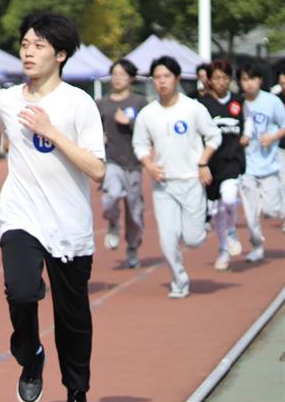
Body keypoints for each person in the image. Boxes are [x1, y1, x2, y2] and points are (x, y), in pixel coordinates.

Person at [0, 12, 105, 402]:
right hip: (21, 214)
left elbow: (97, 169)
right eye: (24, 44)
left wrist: (51, 131)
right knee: (20, 291)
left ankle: (76, 392)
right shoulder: (6, 99)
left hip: (69, 225)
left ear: (61, 54)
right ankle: (30, 355)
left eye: (38, 45)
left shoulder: (78, 103)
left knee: (72, 319)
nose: (28, 52)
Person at [132, 56, 221, 298]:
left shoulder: (193, 108)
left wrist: (203, 162)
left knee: (193, 240)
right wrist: (149, 166)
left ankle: (206, 216)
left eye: (166, 76)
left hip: (191, 181)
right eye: (157, 77)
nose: (162, 81)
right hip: (164, 185)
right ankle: (179, 281)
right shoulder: (148, 114)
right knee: (167, 239)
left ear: (177, 78)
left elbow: (214, 136)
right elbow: (140, 145)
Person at [198, 60, 248, 270]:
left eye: (225, 78)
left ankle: (232, 231)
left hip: (233, 160)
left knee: (229, 198)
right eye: (217, 78)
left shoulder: (238, 101)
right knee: (217, 211)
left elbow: (249, 120)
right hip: (211, 164)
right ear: (209, 80)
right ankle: (223, 250)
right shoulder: (202, 104)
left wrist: (247, 135)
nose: (221, 82)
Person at [97, 59, 147, 268]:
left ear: (131, 78)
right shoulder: (102, 104)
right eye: (114, 74)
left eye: (122, 74)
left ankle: (133, 248)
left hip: (133, 163)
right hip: (111, 160)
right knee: (112, 195)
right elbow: (90, 128)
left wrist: (130, 122)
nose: (117, 78)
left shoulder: (139, 102)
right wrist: (98, 136)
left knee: (134, 212)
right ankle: (112, 223)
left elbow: (148, 129)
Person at [238, 64, 285, 261]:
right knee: (250, 214)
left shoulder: (272, 101)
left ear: (260, 80)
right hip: (246, 166)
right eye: (244, 79)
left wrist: (272, 137)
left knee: (270, 210)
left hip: (270, 165)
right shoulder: (238, 104)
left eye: (252, 79)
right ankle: (257, 247)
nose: (248, 84)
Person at [271, 61, 285, 232]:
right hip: (281, 148)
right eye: (282, 83)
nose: (284, 86)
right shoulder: (275, 100)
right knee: (283, 183)